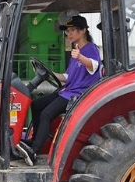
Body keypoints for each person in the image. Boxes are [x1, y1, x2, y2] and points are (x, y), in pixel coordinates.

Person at [19, 15, 102, 166]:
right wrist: (48, 73)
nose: (68, 34)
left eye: (72, 30)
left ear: (83, 30)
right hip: (67, 90)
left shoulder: (90, 49)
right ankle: (33, 141)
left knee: (46, 114)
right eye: (67, 31)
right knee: (36, 105)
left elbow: (94, 66)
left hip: (77, 94)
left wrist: (80, 57)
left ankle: (35, 150)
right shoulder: (76, 51)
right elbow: (67, 76)